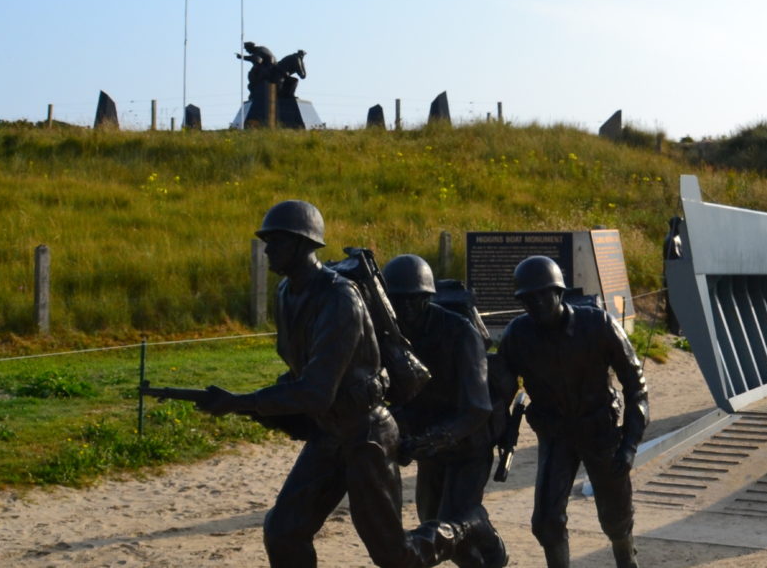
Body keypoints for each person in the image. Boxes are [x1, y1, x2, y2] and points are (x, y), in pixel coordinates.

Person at [195, 201, 461, 568]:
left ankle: (458, 531)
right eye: (267, 241)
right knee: (283, 530)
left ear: (303, 245)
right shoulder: (286, 294)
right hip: (329, 431)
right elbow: (299, 372)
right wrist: (255, 406)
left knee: (393, 554)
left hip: (366, 432)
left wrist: (243, 401)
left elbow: (317, 389)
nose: (267, 249)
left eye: (276, 241)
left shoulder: (340, 298)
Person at [496, 256, 649, 568]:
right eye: (528, 298)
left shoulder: (598, 325)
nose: (535, 303)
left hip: (601, 432)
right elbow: (499, 391)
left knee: (616, 517)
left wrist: (630, 444)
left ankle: (626, 560)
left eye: (542, 295)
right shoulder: (517, 335)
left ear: (559, 293)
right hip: (556, 436)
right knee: (546, 521)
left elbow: (636, 386)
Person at [383, 254, 509, 568]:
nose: (406, 308)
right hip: (430, 444)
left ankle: (493, 549)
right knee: (432, 520)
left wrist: (437, 438)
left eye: (415, 300)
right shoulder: (391, 334)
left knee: (452, 524)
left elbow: (477, 407)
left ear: (428, 298)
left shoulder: (460, 332)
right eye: (398, 301)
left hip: (468, 441)